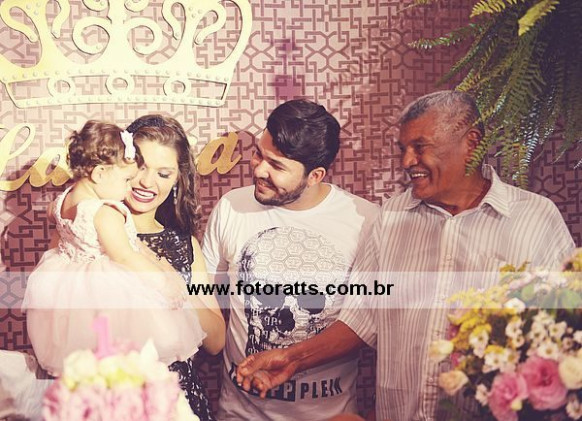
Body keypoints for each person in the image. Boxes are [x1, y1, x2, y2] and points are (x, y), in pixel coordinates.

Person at [235, 91, 576, 421]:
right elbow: (361, 319)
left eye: (420, 147)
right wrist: (293, 359)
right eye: (403, 149)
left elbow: (568, 334)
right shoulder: (391, 216)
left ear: (471, 143)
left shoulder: (534, 219)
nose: (407, 161)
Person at [202, 99, 379, 420]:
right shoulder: (231, 207)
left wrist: (294, 357)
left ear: (315, 175)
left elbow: (365, 322)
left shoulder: (365, 221)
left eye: (277, 165)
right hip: (240, 414)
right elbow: (207, 302)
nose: (259, 169)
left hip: (329, 416)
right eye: (259, 154)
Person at [22, 120, 205, 376]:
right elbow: (125, 255)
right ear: (99, 174)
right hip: (107, 295)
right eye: (127, 178)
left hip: (70, 299)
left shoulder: (60, 202)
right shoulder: (105, 212)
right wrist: (163, 282)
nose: (133, 185)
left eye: (163, 174)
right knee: (133, 342)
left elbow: (59, 244)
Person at [124, 114, 226, 421]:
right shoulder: (87, 234)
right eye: (139, 166)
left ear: (177, 181)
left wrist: (176, 286)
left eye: (163, 173)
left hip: (179, 401)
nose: (147, 182)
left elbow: (216, 342)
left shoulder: (184, 245)